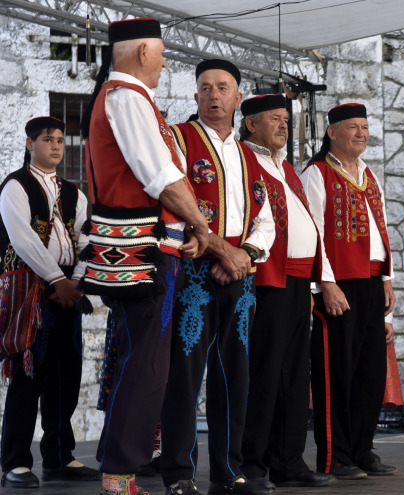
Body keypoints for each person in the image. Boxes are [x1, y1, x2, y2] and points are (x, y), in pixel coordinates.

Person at [83, 17, 209, 495]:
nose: (162, 64)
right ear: (141, 54)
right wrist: (202, 227)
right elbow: (161, 178)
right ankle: (119, 472)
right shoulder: (128, 98)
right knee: (148, 365)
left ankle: (119, 466)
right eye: (160, 54)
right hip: (142, 254)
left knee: (143, 360)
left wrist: (186, 230)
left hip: (146, 248)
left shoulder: (126, 99)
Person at [160, 60, 276, 495]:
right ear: (194, 96)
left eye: (222, 88)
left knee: (235, 373)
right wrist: (212, 247)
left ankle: (230, 472)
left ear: (237, 98)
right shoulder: (177, 139)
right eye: (205, 87)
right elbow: (167, 196)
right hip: (192, 268)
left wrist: (242, 256)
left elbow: (266, 218)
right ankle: (179, 474)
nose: (213, 95)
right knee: (185, 374)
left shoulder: (250, 155)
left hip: (238, 274)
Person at [237, 94, 333, 489]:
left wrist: (318, 281)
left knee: (295, 376)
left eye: (285, 120)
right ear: (251, 125)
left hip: (296, 283)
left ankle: (289, 462)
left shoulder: (287, 168)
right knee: (264, 375)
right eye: (274, 119)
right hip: (266, 281)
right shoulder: (245, 162)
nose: (282, 126)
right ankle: (252, 464)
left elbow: (310, 226)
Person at [0, 117, 98, 489]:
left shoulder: (74, 193)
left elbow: (86, 238)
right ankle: (15, 461)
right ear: (30, 144)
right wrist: (57, 280)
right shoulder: (15, 186)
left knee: (66, 375)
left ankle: (59, 455)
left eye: (60, 140)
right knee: (29, 374)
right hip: (32, 289)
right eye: (47, 139)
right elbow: (22, 238)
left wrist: (76, 280)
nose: (56, 146)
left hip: (68, 291)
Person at [301, 103, 397, 480]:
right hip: (338, 285)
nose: (361, 133)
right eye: (353, 127)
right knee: (336, 373)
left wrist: (387, 280)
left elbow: (381, 229)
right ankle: (335, 457)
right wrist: (325, 283)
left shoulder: (369, 175)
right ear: (332, 133)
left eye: (365, 127)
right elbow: (314, 232)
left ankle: (361, 448)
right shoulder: (317, 173)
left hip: (372, 282)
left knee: (370, 374)